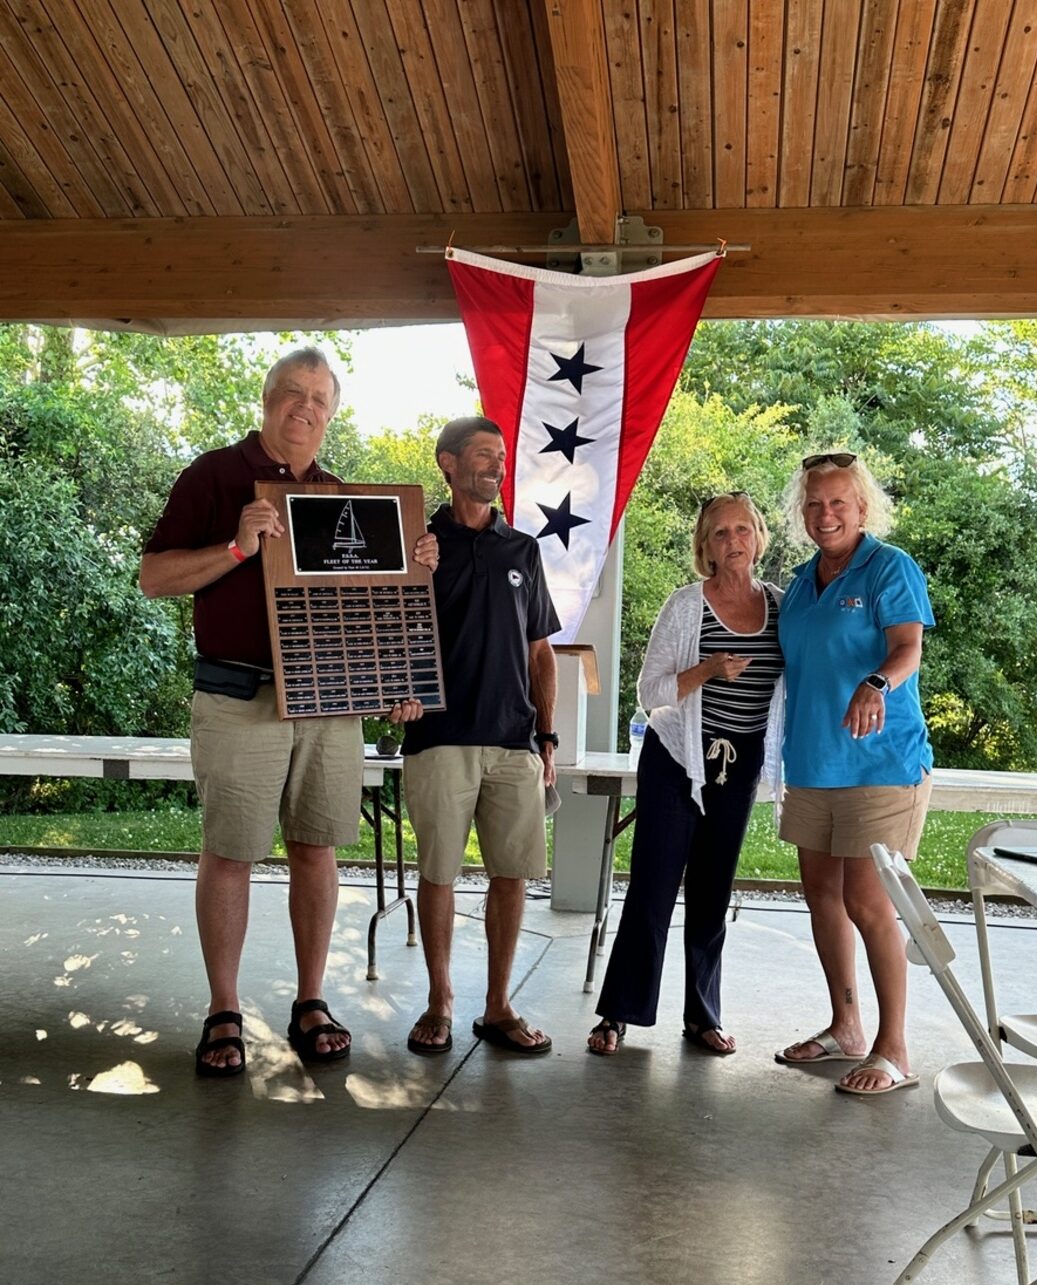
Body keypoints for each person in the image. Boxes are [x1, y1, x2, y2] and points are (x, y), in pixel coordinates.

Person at [140, 346, 437, 1078]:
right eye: (292, 393)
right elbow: (154, 577)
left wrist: (403, 643)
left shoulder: (343, 497)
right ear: (267, 399)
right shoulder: (213, 475)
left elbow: (373, 610)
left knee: (316, 847)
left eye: (320, 398)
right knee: (232, 853)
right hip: (239, 697)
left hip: (331, 705)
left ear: (331, 413)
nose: (305, 407)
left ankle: (310, 1001)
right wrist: (238, 547)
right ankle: (224, 1010)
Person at [588, 492, 784, 1056]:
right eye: (719, 533)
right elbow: (650, 695)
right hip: (677, 758)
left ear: (758, 536)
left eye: (742, 529)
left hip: (739, 764)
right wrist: (707, 670)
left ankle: (702, 1016)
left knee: (713, 892)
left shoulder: (780, 605)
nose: (733, 542)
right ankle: (618, 1013)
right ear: (705, 547)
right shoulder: (685, 606)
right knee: (652, 887)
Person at [773, 451, 934, 1096]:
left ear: (863, 508)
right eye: (814, 503)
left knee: (869, 903)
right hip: (812, 762)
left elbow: (907, 648)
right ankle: (846, 1027)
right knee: (823, 899)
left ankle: (893, 1048)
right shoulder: (801, 580)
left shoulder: (890, 567)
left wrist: (875, 683)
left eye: (839, 502)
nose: (826, 513)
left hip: (879, 764)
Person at [403, 416, 559, 1058]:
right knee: (438, 872)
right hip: (438, 736)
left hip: (514, 741)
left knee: (512, 875)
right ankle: (439, 1001)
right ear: (447, 462)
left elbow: (540, 653)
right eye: (481, 454)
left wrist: (546, 736)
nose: (495, 465)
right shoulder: (417, 543)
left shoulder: (522, 549)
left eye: (500, 456)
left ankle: (497, 1006)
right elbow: (381, 625)